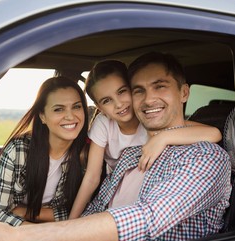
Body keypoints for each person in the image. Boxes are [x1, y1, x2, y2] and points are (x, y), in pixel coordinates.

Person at [0, 52, 232, 241]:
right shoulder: (129, 156)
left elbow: (146, 218)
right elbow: (93, 206)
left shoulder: (204, 158)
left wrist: (24, 238)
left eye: (160, 86)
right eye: (138, 91)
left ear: (184, 93)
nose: (148, 100)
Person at [68, 60, 222, 219]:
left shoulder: (150, 119)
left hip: (145, 183)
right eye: (107, 100)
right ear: (100, 108)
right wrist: (71, 222)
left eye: (122, 91)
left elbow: (213, 133)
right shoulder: (104, 123)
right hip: (114, 185)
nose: (119, 104)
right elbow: (92, 177)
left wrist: (163, 138)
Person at [0, 76, 89, 227]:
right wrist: (40, 233)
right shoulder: (19, 150)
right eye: (59, 109)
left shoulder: (86, 154)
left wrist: (26, 212)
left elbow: (82, 212)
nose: (71, 116)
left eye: (77, 106)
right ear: (42, 116)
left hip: (30, 222)